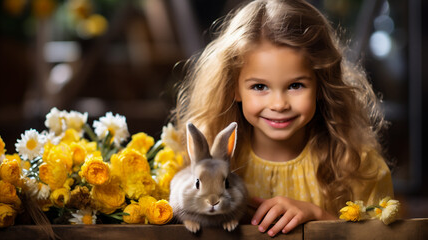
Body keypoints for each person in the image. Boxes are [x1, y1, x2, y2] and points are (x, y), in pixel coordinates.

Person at [169, 0, 394, 237]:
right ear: (233, 87)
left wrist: (319, 218)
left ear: (321, 84)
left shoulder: (358, 164)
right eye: (259, 86)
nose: (279, 104)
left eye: (296, 85)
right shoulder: (207, 166)